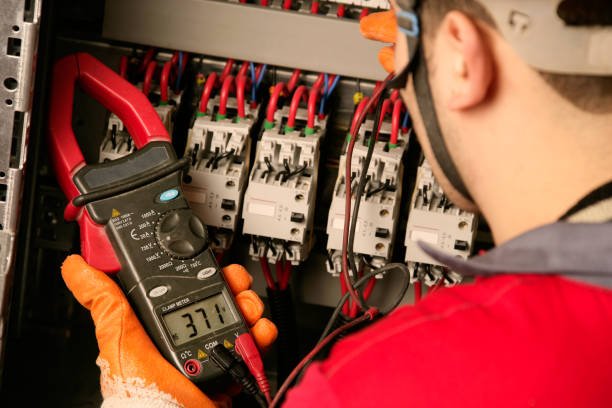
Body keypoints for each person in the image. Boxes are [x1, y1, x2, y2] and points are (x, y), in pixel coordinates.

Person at [62, 0, 612, 406]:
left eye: (406, 34)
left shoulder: (370, 388)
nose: (393, 72)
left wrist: (144, 402)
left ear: (465, 62)